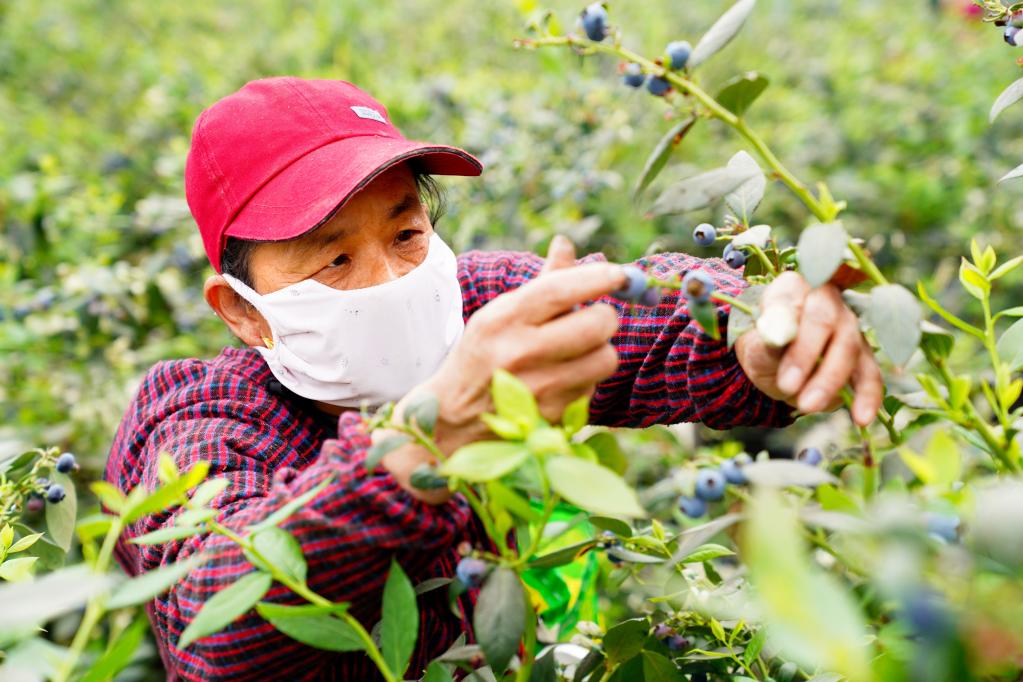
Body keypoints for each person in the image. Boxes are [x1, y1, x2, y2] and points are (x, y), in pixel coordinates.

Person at [105, 77, 882, 680]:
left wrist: (748, 327)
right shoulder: (198, 421)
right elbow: (218, 619)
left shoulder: (471, 307)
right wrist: (427, 440)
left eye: (406, 232)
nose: (389, 280)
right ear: (241, 312)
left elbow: (640, 308)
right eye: (334, 259)